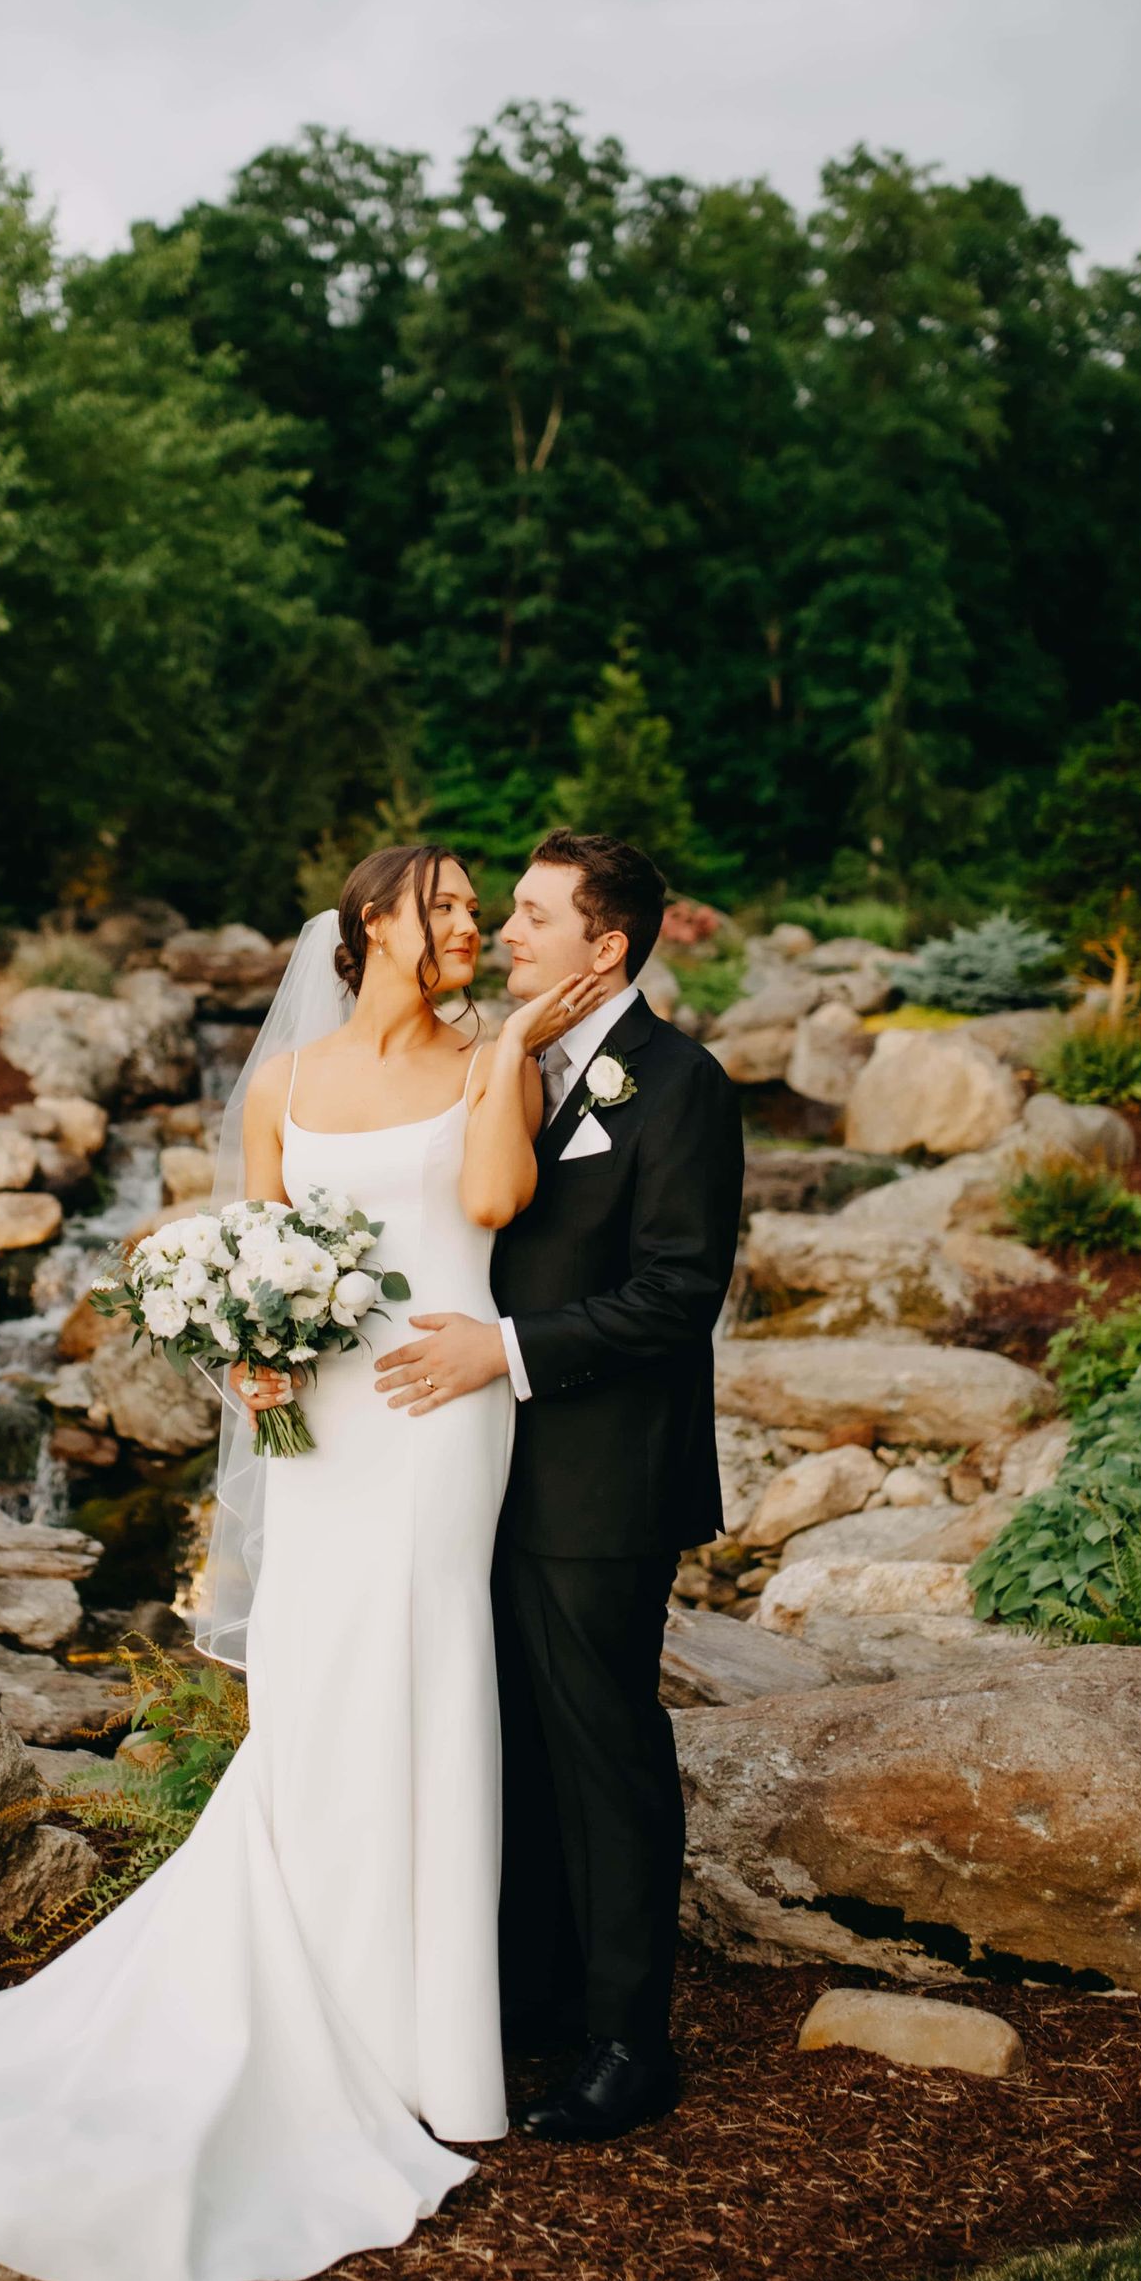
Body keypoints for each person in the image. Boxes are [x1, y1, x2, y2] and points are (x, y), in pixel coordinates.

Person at [0, 844, 607, 2281]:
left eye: (487, 908)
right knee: (315, 1680)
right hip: (329, 1415)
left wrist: (509, 1064)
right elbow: (268, 1243)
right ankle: (324, 2009)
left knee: (433, 1679)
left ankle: (425, 2048)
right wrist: (247, 1342)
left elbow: (485, 1212)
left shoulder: (497, 1061)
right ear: (374, 924)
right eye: (453, 903)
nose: (476, 924)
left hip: (442, 1412)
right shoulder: (284, 1085)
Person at [372, 829, 744, 2142]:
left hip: (604, 1485)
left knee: (604, 1755)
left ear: (608, 946)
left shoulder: (679, 1086)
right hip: (485, 1474)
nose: (504, 933)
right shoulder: (518, 1062)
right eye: (506, 913)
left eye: (532, 915)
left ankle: (630, 2044)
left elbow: (676, 1293)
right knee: (515, 1746)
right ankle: (531, 1999)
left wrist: (508, 1352)